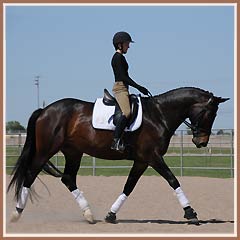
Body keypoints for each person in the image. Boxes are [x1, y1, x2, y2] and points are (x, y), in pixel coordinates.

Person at [111, 31, 150, 152]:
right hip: (120, 88)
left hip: (124, 88)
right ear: (120, 45)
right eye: (127, 43)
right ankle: (116, 141)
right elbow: (123, 77)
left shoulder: (121, 57)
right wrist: (139, 87)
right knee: (127, 112)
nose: (129, 46)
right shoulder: (117, 58)